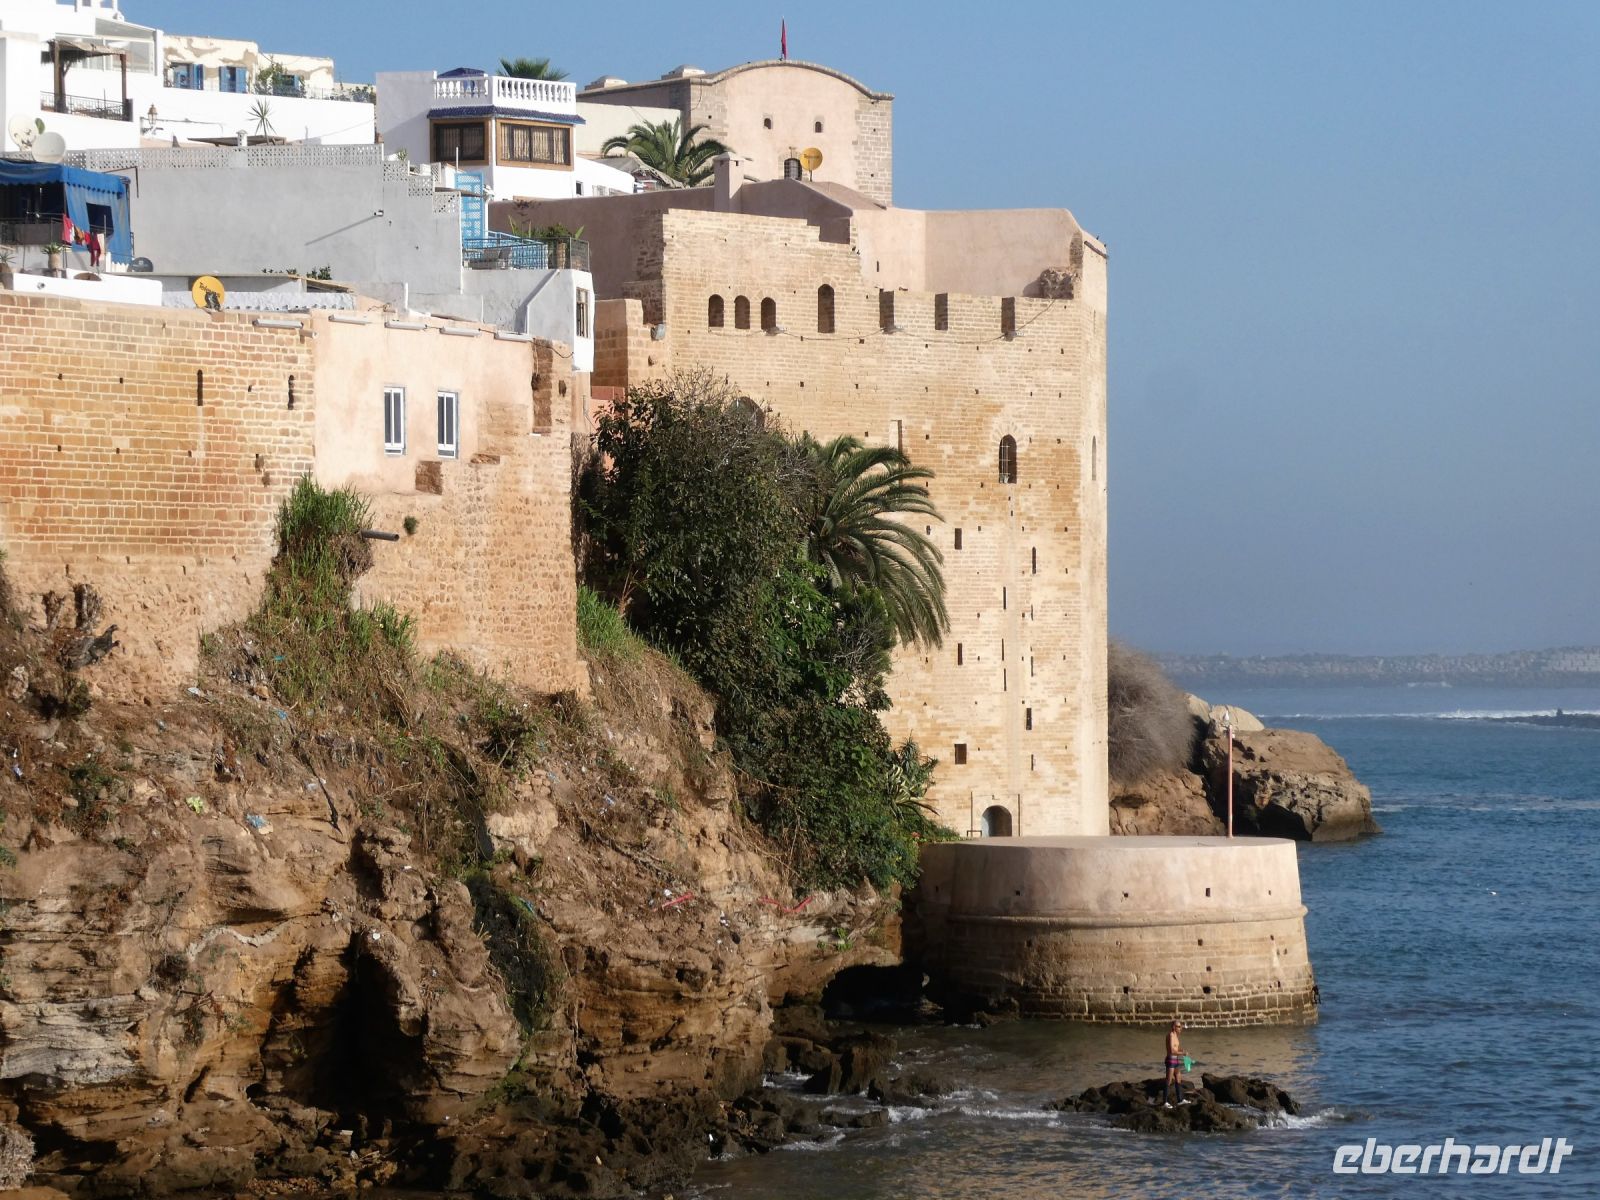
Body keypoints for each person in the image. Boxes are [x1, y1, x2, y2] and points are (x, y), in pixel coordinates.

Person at [1163, 1020, 1188, 1107]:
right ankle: (1165, 1102)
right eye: (1179, 1027)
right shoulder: (1170, 1035)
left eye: (1181, 1026)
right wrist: (1182, 1053)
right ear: (1174, 1027)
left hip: (1176, 1060)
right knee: (1169, 1080)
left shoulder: (1176, 1036)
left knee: (1178, 1078)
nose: (1180, 1028)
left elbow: (1176, 1048)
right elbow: (1172, 1051)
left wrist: (1181, 1050)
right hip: (1170, 1060)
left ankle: (1180, 1100)